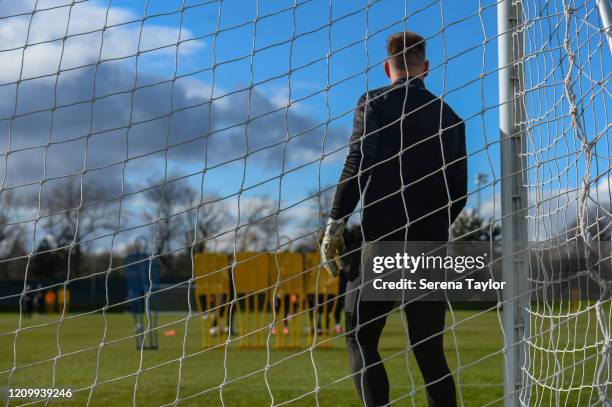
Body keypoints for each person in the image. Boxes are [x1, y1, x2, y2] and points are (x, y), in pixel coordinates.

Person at [321, 31, 467, 407]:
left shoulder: (375, 102)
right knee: (429, 351)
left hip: (382, 241)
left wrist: (336, 221)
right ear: (426, 68)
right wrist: (430, 229)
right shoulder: (451, 118)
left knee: (361, 337)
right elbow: (459, 194)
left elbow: (358, 161)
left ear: (388, 67)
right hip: (430, 246)